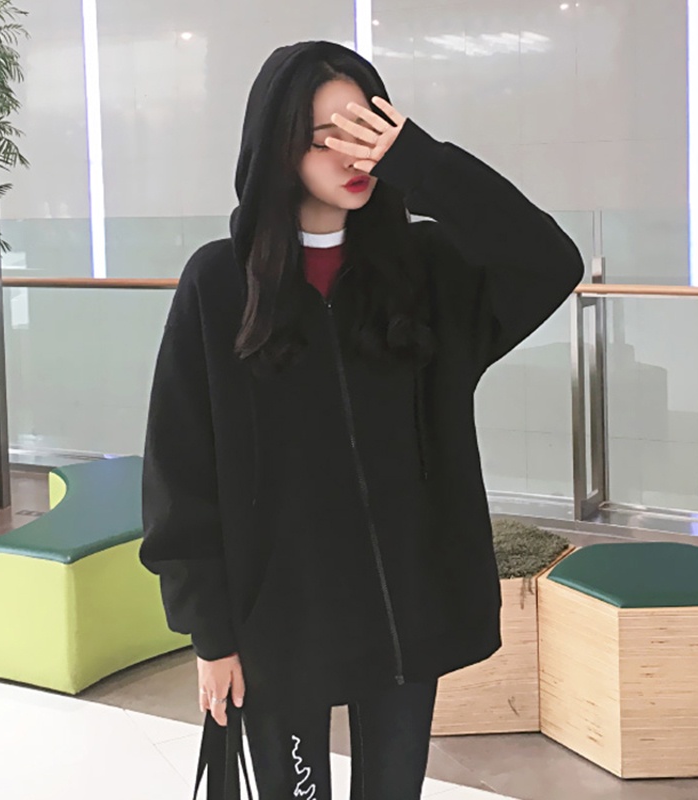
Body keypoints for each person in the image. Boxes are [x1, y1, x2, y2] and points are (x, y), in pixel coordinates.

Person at [139, 40, 584, 799]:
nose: (354, 156)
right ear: (279, 148)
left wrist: (423, 164)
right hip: (280, 620)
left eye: (368, 131)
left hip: (405, 611)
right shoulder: (220, 284)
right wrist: (210, 634)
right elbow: (181, 469)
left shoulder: (425, 271)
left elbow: (549, 260)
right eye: (326, 138)